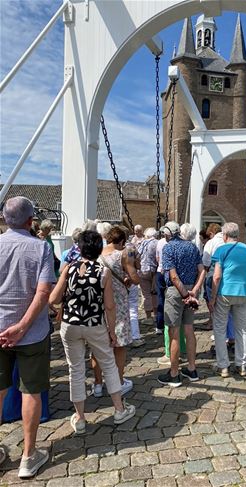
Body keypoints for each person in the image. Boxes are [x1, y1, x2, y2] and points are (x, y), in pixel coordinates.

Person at [49, 230, 135, 435]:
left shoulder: (69, 268)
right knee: (109, 365)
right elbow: (110, 306)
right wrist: (112, 331)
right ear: (98, 250)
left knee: (76, 369)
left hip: (70, 324)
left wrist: (66, 303)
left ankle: (80, 418)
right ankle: (119, 409)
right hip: (94, 324)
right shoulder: (102, 272)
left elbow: (53, 298)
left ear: (79, 248)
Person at [0, 197, 55, 478]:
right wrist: (21, 325)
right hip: (32, 332)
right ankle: (28, 455)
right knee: (31, 390)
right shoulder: (41, 247)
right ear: (30, 221)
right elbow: (44, 292)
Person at [91, 226, 140, 397]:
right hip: (118, 304)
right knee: (119, 345)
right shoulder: (123, 254)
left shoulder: (97, 254)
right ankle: (118, 381)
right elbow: (135, 278)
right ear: (121, 241)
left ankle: (97, 384)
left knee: (97, 346)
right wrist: (129, 277)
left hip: (98, 304)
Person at [208, 222, 246, 377]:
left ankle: (223, 366)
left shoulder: (221, 249)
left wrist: (212, 298)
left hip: (224, 293)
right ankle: (241, 365)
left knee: (219, 328)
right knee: (242, 329)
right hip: (242, 292)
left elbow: (217, 276)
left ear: (224, 235)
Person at [158, 221, 205, 387]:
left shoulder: (168, 248)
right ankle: (192, 369)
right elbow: (202, 271)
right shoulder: (192, 247)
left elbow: (173, 276)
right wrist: (194, 291)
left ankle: (174, 374)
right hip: (191, 289)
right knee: (189, 329)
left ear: (169, 233)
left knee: (174, 333)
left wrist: (185, 295)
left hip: (176, 292)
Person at [138, 228, 158, 325]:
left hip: (143, 269)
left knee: (146, 295)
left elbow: (138, 254)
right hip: (155, 270)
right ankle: (156, 316)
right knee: (155, 293)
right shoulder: (158, 243)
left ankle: (148, 317)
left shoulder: (143, 243)